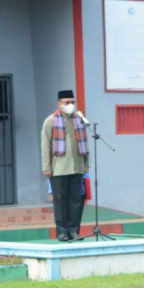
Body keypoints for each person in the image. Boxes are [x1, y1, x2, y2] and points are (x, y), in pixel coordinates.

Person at [41, 90, 90, 241]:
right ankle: (62, 232)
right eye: (67, 102)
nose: (70, 105)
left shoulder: (79, 120)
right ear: (59, 104)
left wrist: (86, 163)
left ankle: (74, 231)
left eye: (72, 102)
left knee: (76, 200)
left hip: (77, 167)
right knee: (60, 201)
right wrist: (46, 166)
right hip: (59, 169)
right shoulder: (51, 120)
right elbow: (45, 144)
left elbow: (85, 143)